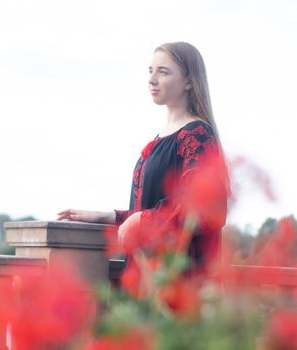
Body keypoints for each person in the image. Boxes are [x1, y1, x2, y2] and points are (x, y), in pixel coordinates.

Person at [58, 42, 227, 266]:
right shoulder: (161, 138)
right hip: (148, 274)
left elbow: (203, 211)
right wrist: (109, 217)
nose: (152, 80)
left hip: (176, 279)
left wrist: (140, 220)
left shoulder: (196, 134)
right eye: (150, 71)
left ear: (188, 81)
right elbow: (152, 209)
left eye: (163, 72)